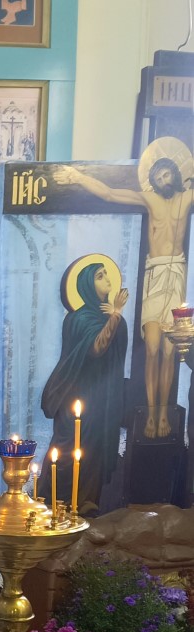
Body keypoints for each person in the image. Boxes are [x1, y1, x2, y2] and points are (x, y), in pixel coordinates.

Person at [53, 142, 194, 439]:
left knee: (170, 351)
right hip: (155, 275)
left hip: (177, 275)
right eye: (158, 177)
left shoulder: (188, 197)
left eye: (167, 175)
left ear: (176, 175)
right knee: (152, 348)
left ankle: (164, 412)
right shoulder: (150, 200)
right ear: (152, 181)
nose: (163, 180)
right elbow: (109, 193)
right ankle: (151, 412)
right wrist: (77, 177)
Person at [38, 260, 129, 514]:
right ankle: (54, 500)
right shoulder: (78, 318)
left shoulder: (112, 318)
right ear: (87, 285)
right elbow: (97, 348)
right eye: (100, 276)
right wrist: (116, 314)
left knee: (95, 450)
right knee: (68, 449)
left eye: (107, 274)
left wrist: (115, 317)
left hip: (101, 397)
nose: (107, 280)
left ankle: (86, 501)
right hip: (76, 395)